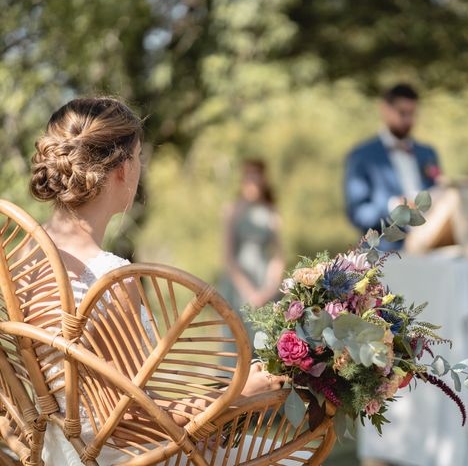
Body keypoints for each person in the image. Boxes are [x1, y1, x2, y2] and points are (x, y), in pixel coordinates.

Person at [27, 97, 286, 464]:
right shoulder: (108, 279)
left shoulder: (21, 261)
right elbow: (128, 423)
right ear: (121, 169)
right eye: (138, 159)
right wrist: (237, 395)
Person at [344, 83, 441, 251]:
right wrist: (392, 206)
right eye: (402, 113)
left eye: (412, 114)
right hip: (384, 254)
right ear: (385, 109)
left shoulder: (428, 154)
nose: (408, 120)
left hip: (431, 249)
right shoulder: (361, 156)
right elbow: (358, 215)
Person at [218, 159, 285, 345]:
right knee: (237, 341)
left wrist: (270, 289)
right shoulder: (232, 210)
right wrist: (248, 291)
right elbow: (228, 257)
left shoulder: (271, 212)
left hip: (264, 280)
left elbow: (278, 256)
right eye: (249, 177)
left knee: (267, 341)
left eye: (257, 177)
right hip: (237, 284)